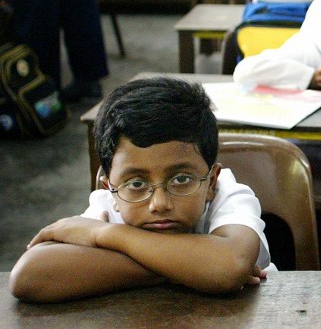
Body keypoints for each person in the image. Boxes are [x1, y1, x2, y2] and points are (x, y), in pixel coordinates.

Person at [9, 77, 274, 302]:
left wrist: (107, 235)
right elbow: (29, 276)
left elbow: (227, 266)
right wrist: (198, 269)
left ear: (211, 183)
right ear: (109, 188)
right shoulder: (107, 204)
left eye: (181, 180)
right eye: (137, 184)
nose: (159, 203)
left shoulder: (230, 194)